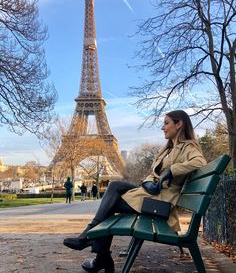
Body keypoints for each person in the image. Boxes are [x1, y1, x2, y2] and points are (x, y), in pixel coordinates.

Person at [63, 110, 206, 273]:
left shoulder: (188, 147)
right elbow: (151, 175)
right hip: (152, 193)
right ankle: (94, 246)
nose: (162, 127)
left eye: (166, 123)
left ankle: (94, 246)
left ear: (179, 124)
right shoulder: (167, 149)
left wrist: (172, 170)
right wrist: (147, 183)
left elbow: (200, 162)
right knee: (115, 186)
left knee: (111, 204)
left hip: (161, 202)